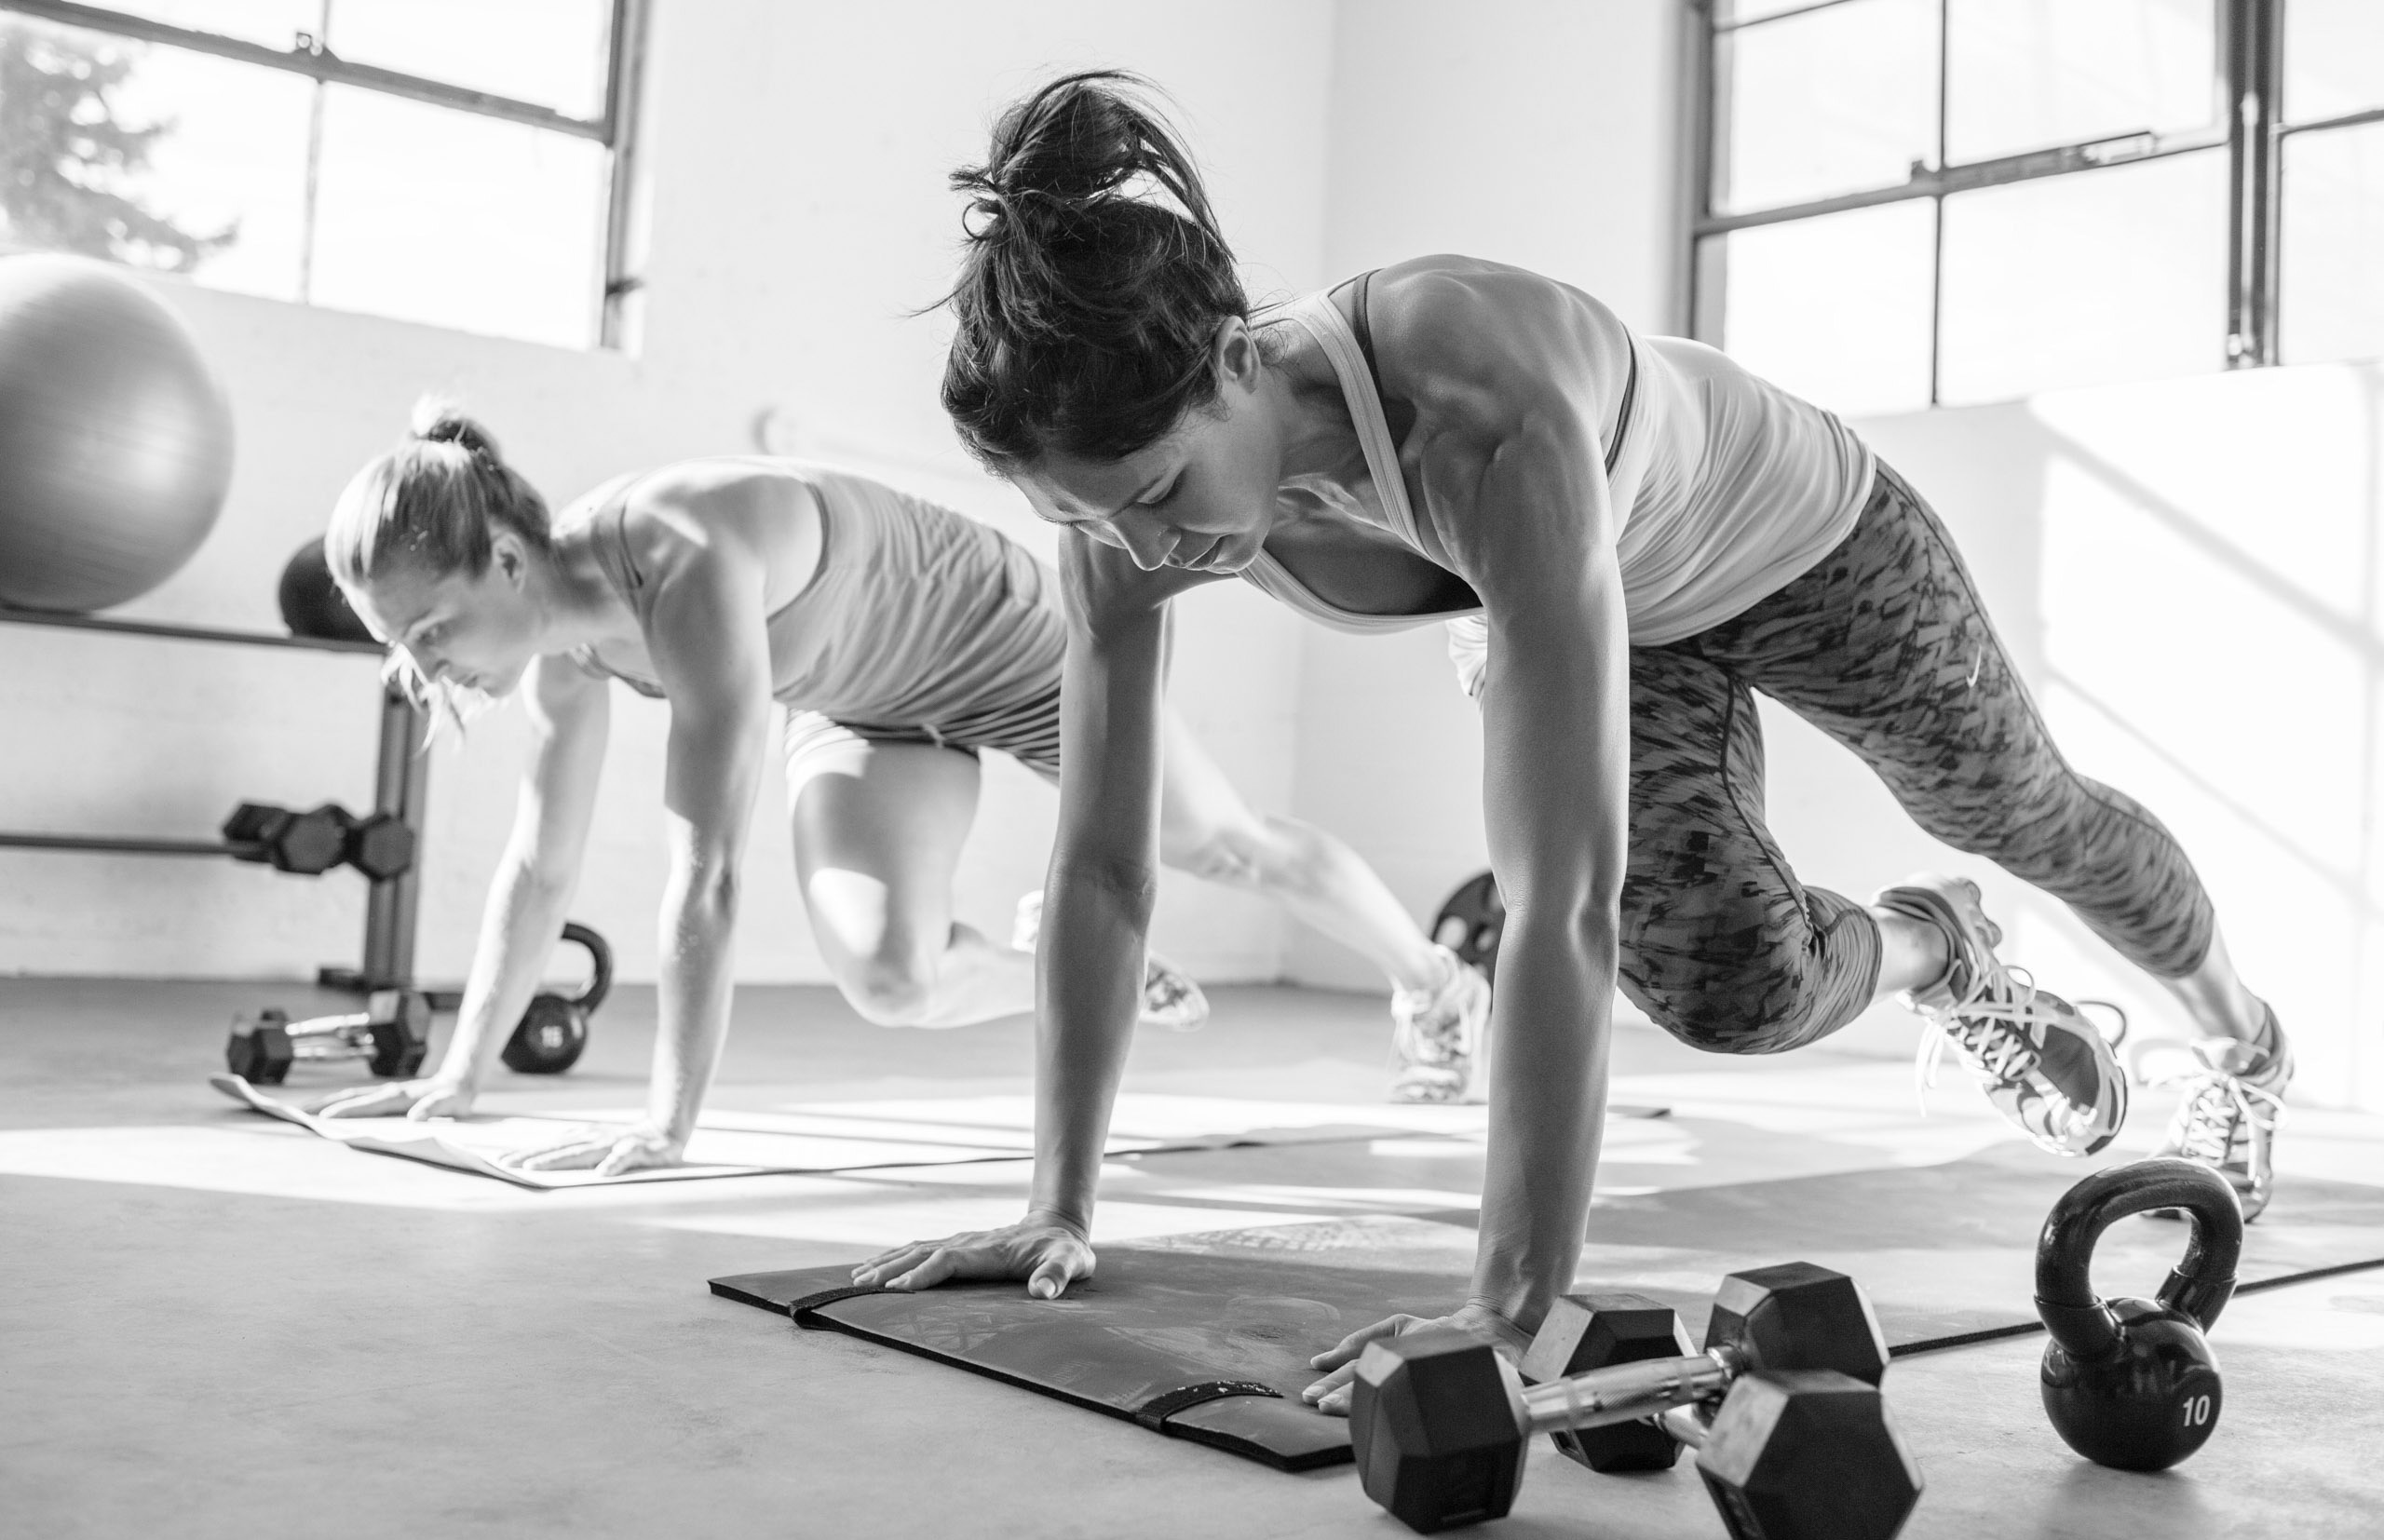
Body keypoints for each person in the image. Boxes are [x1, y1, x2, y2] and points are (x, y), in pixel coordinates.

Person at [851, 73, 2291, 1412]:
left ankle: (2239, 1041)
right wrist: (1059, 1201)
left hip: (1794, 537)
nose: (1139, 548)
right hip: (1585, 605)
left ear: (1235, 358)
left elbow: (1557, 899)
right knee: (1728, 983)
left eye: (1161, 489)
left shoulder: (1470, 394)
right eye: (1087, 518)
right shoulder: (1122, 541)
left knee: (2018, 807)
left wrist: (1509, 1297)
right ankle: (1939, 950)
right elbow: (1104, 868)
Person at [307, 406, 1495, 1166]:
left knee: (1223, 842)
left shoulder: (679, 551)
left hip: (1010, 643)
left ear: (506, 561)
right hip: (867, 704)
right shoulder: (555, 655)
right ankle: (1092, 968)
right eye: (400, 648)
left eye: (429, 630)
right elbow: (539, 862)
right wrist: (458, 1078)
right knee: (889, 978)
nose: (423, 671)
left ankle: (1438, 987)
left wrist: (667, 1127)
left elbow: (706, 872)